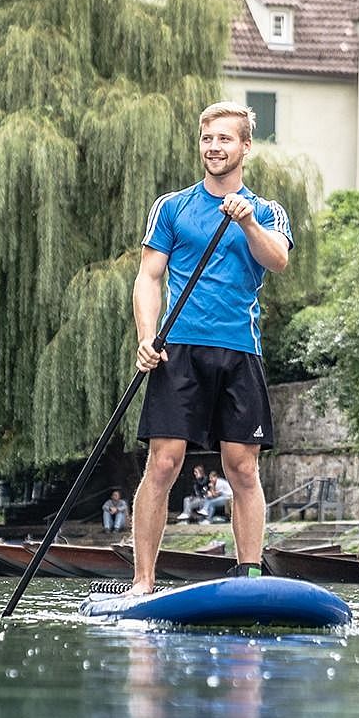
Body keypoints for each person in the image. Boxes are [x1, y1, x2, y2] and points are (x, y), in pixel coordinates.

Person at [129, 102, 291, 594]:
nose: (214, 148)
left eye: (225, 139)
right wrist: (145, 337)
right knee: (163, 463)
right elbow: (148, 277)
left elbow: (278, 260)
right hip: (179, 349)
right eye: (207, 139)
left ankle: (249, 577)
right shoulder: (172, 207)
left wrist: (246, 223)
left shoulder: (267, 212)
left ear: (245, 147)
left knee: (242, 467)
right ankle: (142, 582)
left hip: (240, 351)